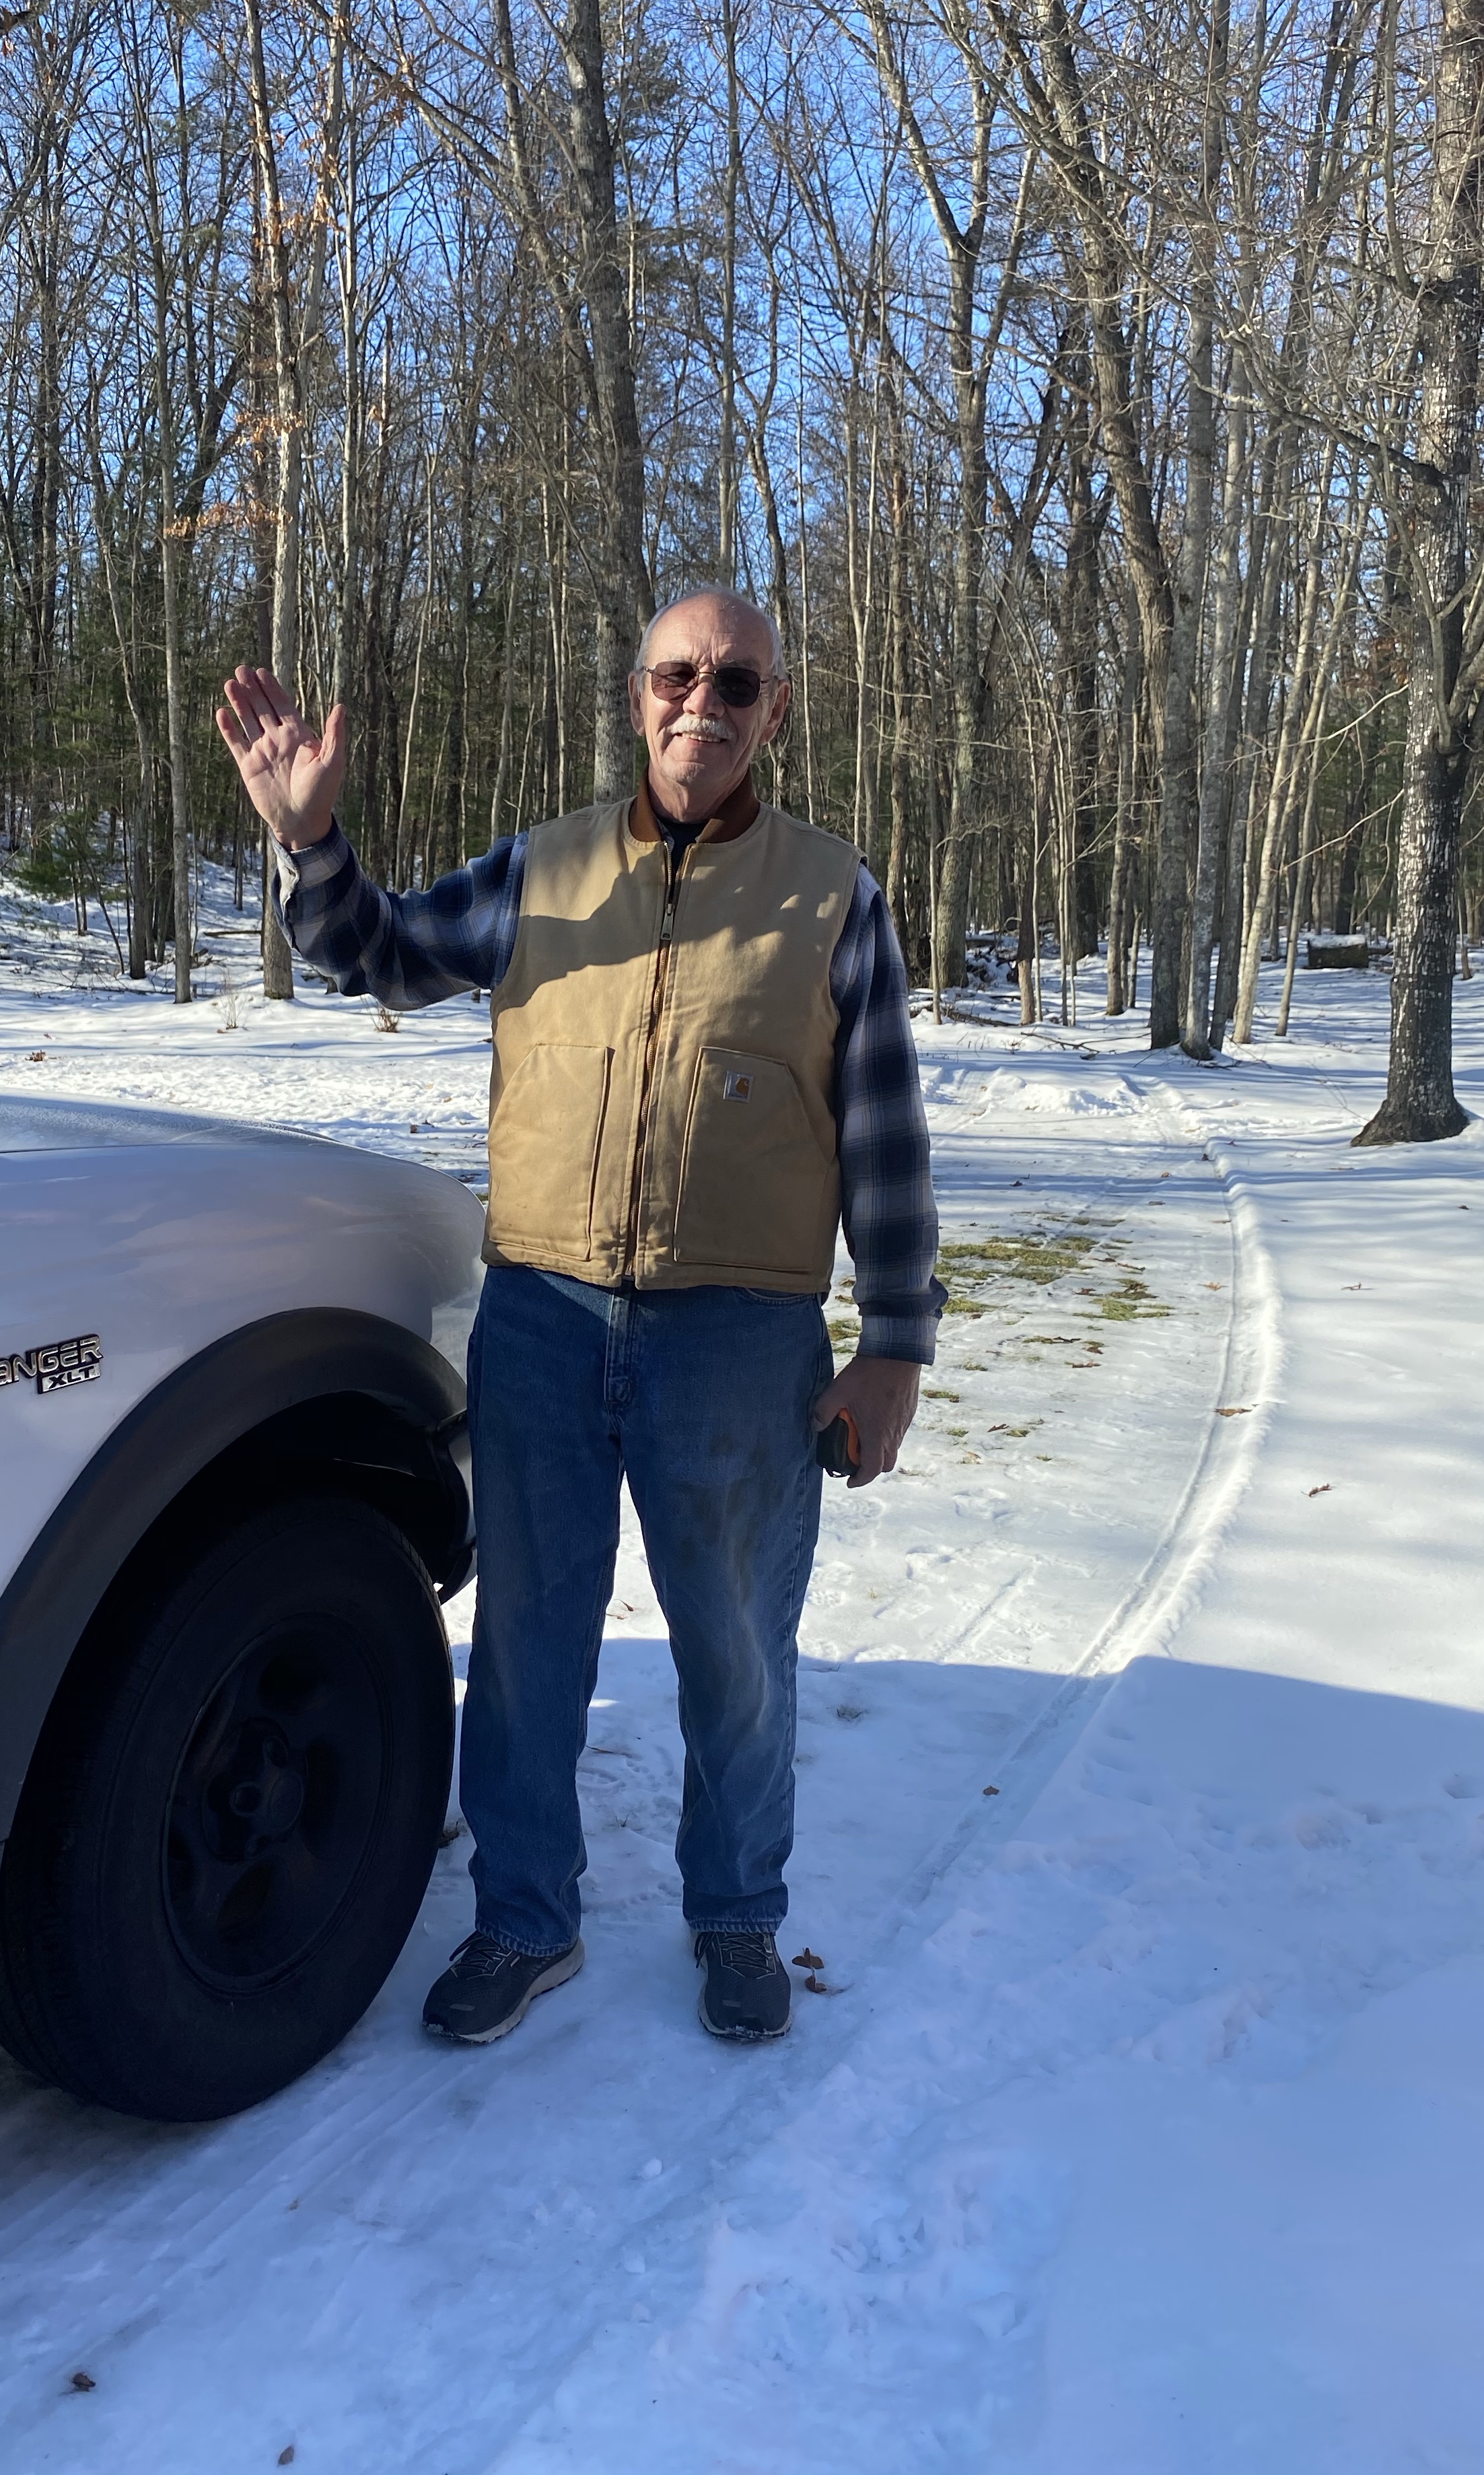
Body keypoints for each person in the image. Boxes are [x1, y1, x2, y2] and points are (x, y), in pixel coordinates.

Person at [216, 586, 943, 2046]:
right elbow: (379, 952)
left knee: (736, 1652)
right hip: (544, 1319)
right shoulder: (543, 871)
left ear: (776, 711)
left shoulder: (830, 895)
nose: (703, 703)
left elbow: (882, 1132)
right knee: (529, 1646)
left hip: (740, 1341)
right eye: (678, 675)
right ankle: (524, 1918)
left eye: (736, 683)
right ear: (636, 695)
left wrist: (894, 1345)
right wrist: (310, 839)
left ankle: (736, 1913)